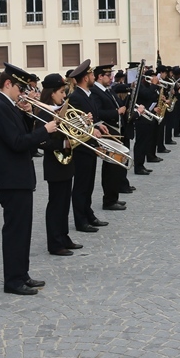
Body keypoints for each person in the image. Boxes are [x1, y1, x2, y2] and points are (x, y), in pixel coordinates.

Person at [0, 63, 57, 293]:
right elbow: (17, 143)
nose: (23, 92)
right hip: (11, 178)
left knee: (23, 229)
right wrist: (45, 130)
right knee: (15, 230)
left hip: (19, 177)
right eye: (20, 87)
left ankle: (22, 274)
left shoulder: (9, 106)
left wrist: (28, 115)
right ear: (8, 84)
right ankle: (13, 280)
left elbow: (21, 133)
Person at [36, 73, 83, 256]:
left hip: (66, 162)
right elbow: (41, 141)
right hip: (54, 164)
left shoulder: (60, 109)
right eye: (60, 92)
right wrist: (63, 144)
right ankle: (54, 243)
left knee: (64, 204)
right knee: (56, 204)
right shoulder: (43, 113)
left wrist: (83, 122)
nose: (63, 96)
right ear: (51, 93)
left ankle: (64, 237)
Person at [66, 60, 110, 233]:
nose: (94, 77)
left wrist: (97, 126)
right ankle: (80, 220)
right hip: (81, 147)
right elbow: (75, 123)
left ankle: (88, 213)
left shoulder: (88, 94)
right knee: (81, 185)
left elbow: (90, 118)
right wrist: (92, 129)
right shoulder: (75, 97)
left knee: (89, 184)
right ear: (85, 78)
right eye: (92, 75)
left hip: (91, 145)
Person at [91, 63, 127, 212]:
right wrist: (117, 112)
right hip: (107, 132)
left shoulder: (107, 90)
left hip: (115, 131)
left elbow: (118, 105)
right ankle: (109, 200)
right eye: (108, 75)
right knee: (110, 168)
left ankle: (114, 197)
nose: (111, 78)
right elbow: (98, 113)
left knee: (116, 167)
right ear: (100, 76)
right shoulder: (96, 92)